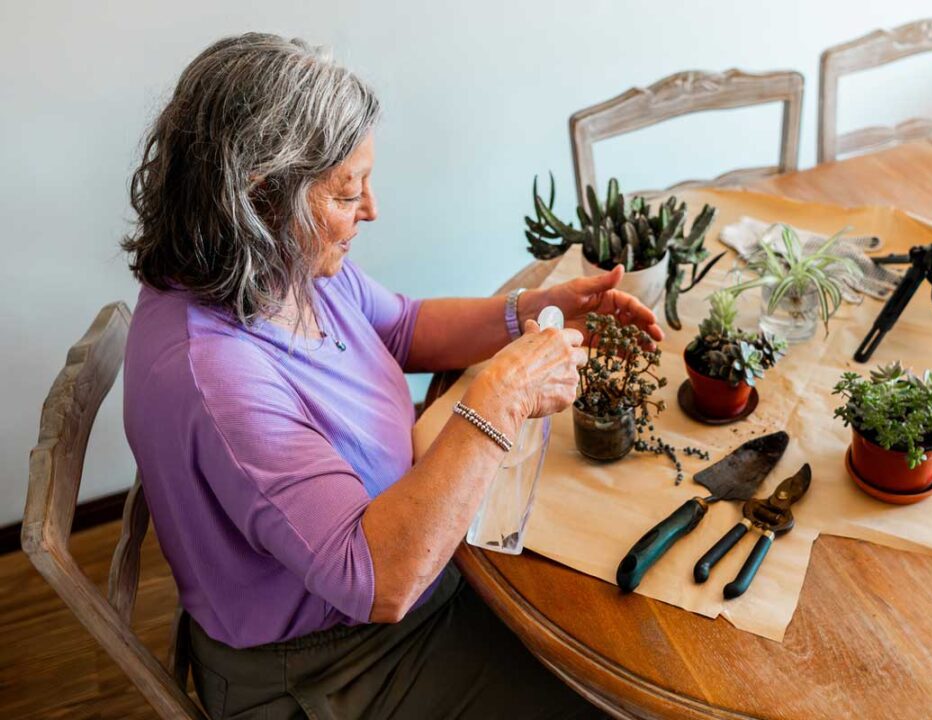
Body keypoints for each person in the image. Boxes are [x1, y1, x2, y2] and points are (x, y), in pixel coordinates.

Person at [121, 33, 662, 719]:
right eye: (349, 191)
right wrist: (500, 397)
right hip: (334, 664)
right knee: (608, 697)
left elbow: (403, 327)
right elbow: (378, 580)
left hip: (418, 573)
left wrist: (536, 308)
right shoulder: (217, 374)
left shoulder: (275, 265)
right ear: (262, 198)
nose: (371, 210)